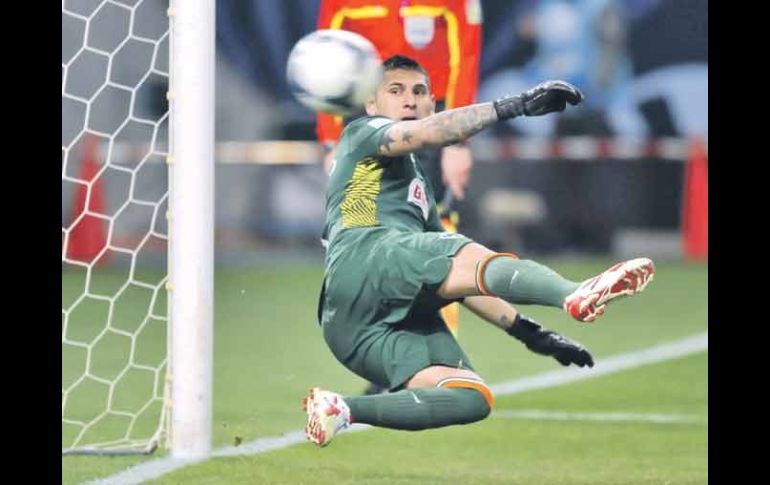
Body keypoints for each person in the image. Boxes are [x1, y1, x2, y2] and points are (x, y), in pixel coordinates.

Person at [303, 55, 654, 447]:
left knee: (470, 398)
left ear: (432, 103)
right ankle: (572, 293)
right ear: (371, 103)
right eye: (395, 90)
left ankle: (340, 409)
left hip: (352, 327)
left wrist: (531, 334)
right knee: (457, 250)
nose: (409, 100)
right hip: (366, 255)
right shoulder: (363, 132)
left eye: (419, 92)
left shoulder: (417, 187)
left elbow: (462, 279)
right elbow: (430, 134)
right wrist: (515, 106)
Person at [316, 0, 483, 347]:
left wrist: (457, 141)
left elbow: (465, 58)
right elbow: (327, 61)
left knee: (435, 233)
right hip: (363, 123)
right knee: (361, 230)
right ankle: (377, 342)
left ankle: (438, 346)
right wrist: (331, 139)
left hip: (430, 122)